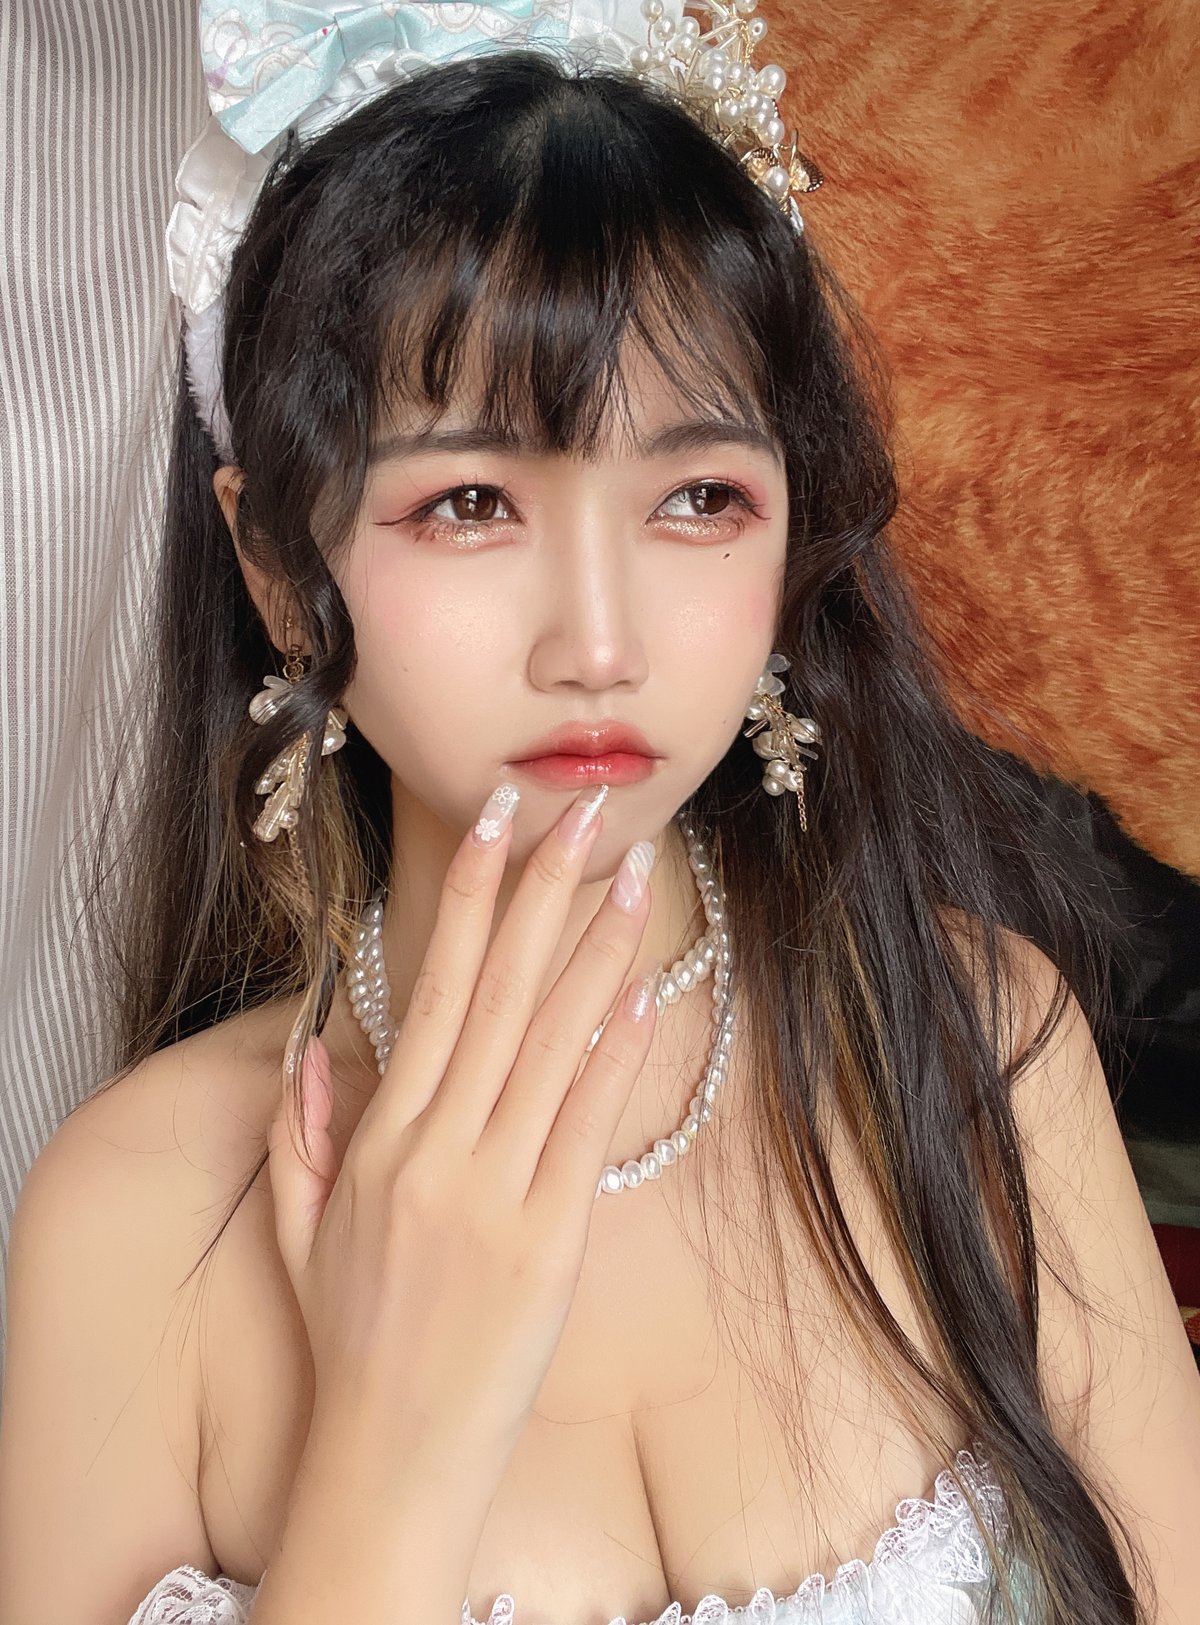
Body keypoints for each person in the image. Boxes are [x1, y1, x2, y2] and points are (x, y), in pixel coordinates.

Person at [1, 1, 1197, 1621]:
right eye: (471, 501)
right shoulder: (134, 1219)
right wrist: (392, 1444)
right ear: (280, 565)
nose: (601, 641)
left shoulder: (983, 1051)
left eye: (699, 498)